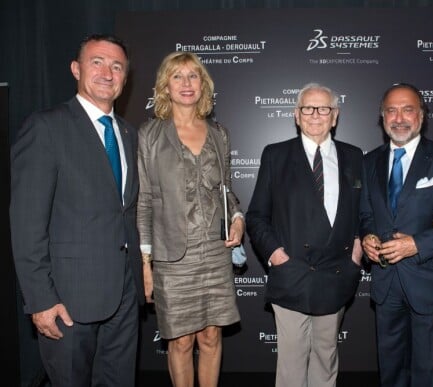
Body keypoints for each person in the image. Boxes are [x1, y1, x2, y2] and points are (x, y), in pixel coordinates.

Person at [9, 34, 143, 386]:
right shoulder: (46, 127)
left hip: (124, 296)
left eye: (117, 66)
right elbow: (26, 224)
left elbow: (126, 212)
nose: (107, 72)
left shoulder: (129, 134)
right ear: (75, 69)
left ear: (125, 79)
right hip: (67, 301)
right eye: (96, 62)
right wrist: (40, 299)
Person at [136, 51, 244, 387]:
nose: (186, 83)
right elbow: (145, 200)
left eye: (193, 76)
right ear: (165, 86)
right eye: (178, 76)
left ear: (203, 85)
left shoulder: (218, 133)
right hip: (171, 256)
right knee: (180, 341)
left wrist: (238, 218)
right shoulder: (150, 135)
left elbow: (227, 190)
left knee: (211, 338)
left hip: (213, 250)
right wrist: (145, 263)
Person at [246, 82, 363, 387]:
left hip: (336, 273)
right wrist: (276, 255)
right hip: (292, 273)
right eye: (307, 108)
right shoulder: (276, 155)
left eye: (323, 108)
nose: (315, 115)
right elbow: (257, 216)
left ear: (334, 116)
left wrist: (357, 252)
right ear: (296, 115)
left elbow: (364, 213)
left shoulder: (354, 156)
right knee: (292, 364)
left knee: (326, 359)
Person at [359, 83, 433, 387]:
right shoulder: (369, 161)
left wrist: (416, 244)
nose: (399, 117)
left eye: (407, 109)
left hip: (429, 281)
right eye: (391, 110)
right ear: (382, 117)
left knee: (427, 371)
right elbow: (366, 215)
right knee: (391, 370)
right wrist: (369, 237)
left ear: (421, 115)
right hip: (386, 283)